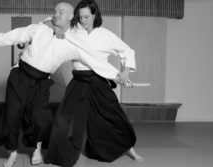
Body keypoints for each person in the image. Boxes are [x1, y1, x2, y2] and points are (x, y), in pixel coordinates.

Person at [0, 2, 125, 167]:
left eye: (61, 12)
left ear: (71, 16)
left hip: (41, 83)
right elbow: (18, 34)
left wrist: (117, 75)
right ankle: (12, 153)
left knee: (41, 119)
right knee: (11, 115)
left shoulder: (74, 41)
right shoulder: (41, 28)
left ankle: (37, 149)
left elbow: (93, 59)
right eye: (54, 11)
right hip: (19, 76)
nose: (55, 14)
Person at [44, 0, 144, 166]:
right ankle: (60, 156)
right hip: (79, 81)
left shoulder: (105, 35)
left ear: (95, 15)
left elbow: (127, 51)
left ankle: (129, 148)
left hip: (98, 81)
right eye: (80, 17)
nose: (83, 20)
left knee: (114, 117)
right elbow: (55, 24)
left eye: (86, 16)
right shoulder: (73, 31)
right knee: (64, 119)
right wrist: (52, 22)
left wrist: (125, 72)